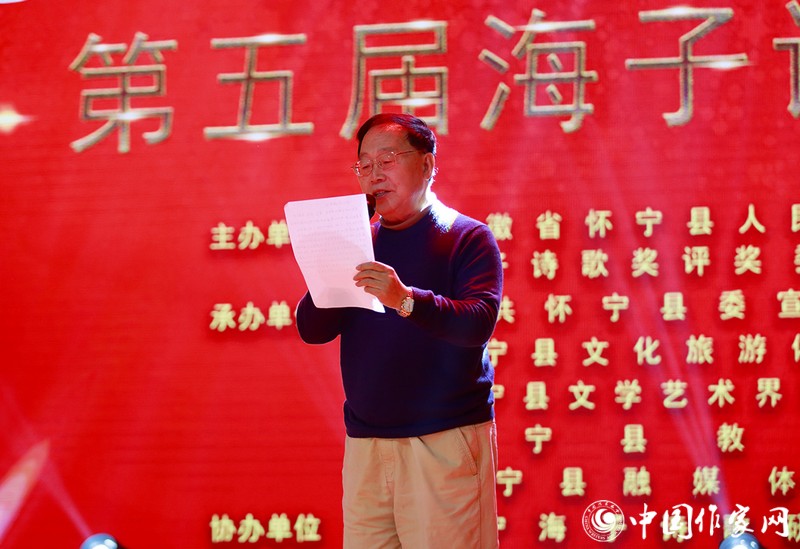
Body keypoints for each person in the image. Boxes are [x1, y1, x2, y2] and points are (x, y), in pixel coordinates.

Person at [295, 113, 503, 548]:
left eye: (387, 160)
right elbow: (313, 330)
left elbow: (477, 322)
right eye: (365, 165)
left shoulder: (467, 237)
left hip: (443, 440)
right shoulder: (360, 243)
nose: (374, 175)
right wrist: (327, 266)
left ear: (427, 165)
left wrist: (405, 299)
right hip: (367, 443)